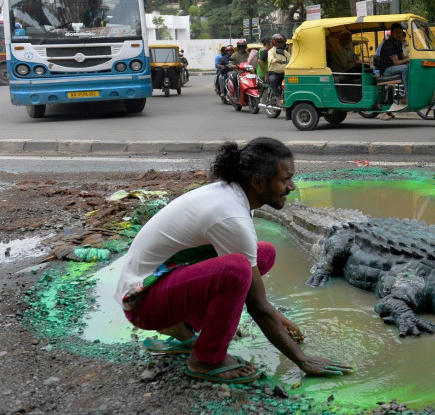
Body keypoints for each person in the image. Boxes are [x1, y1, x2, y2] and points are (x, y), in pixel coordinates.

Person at [114, 139, 354, 384]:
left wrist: (275, 316)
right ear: (258, 181)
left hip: (160, 283)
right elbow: (256, 304)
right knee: (238, 270)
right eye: (284, 179)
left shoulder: (235, 195)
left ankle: (181, 325)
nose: (291, 186)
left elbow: (256, 296)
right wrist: (302, 359)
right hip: (141, 303)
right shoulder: (230, 214)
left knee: (263, 254)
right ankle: (206, 360)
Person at [378, 23, 410, 88]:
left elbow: (403, 57)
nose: (398, 35)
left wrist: (412, 59)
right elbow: (396, 62)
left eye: (400, 32)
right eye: (396, 32)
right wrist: (407, 59)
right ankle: (408, 96)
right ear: (391, 33)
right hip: (386, 70)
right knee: (405, 68)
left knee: (412, 66)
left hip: (393, 67)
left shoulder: (399, 43)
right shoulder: (389, 44)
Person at [267, 33, 291, 106]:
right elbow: (271, 59)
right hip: (273, 74)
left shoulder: (285, 52)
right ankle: (277, 97)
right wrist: (276, 60)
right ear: (275, 42)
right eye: (280, 42)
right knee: (273, 80)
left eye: (282, 42)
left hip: (284, 74)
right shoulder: (271, 51)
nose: (282, 44)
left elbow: (291, 58)